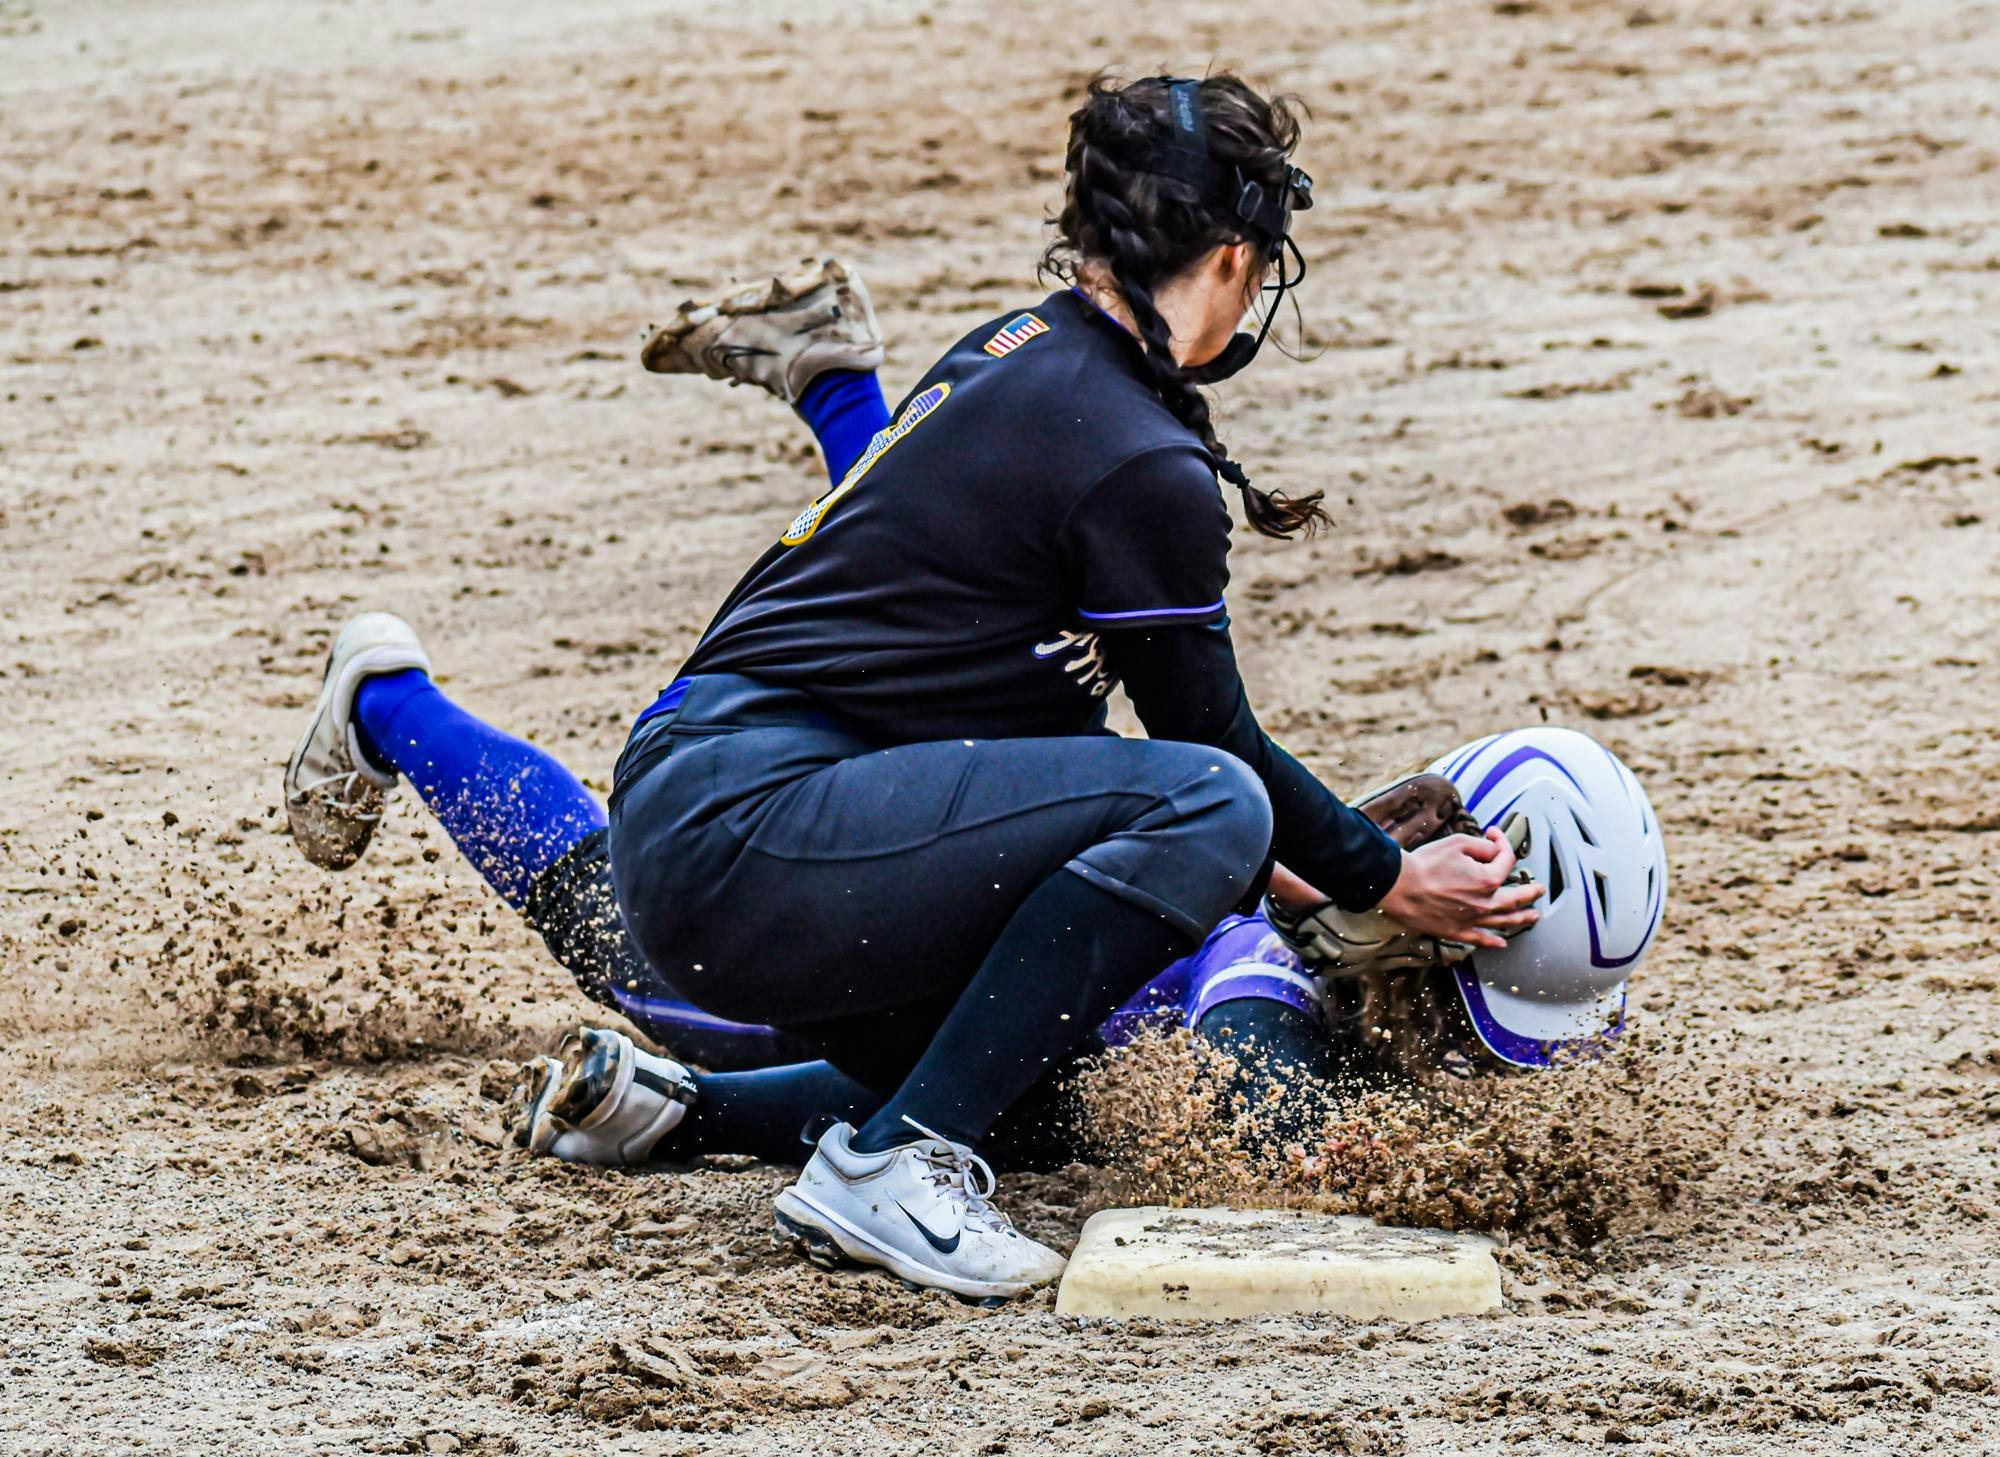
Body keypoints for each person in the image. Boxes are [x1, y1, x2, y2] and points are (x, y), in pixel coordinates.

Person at [284, 74, 1541, 1302]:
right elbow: (1205, 744)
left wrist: (1298, 873)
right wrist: (1379, 874)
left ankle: (796, 1123)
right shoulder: (1136, 458)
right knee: (1205, 802)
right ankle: (890, 1165)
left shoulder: (1028, 347)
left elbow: (1026, 719)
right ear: (1230, 258)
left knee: (1042, 1048)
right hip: (736, 833)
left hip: (744, 785)